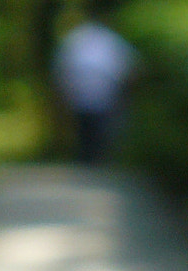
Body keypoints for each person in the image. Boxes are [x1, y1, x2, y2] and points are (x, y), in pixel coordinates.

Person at [53, 20, 136, 164]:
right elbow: (127, 66)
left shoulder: (76, 40)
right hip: (101, 96)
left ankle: (88, 158)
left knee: (85, 129)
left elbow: (62, 69)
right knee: (97, 128)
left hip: (84, 96)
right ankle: (95, 158)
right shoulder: (109, 40)